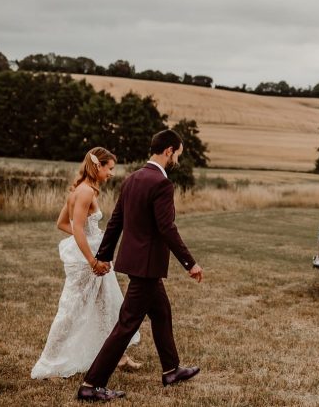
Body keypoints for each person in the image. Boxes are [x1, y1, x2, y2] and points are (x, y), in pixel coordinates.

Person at [77, 129, 204, 402]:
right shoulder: (161, 183)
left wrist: (104, 255)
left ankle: (171, 369)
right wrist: (189, 262)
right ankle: (91, 384)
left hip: (138, 264)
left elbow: (115, 222)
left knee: (162, 313)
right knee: (126, 324)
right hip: (147, 266)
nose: (177, 160)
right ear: (169, 150)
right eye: (178, 154)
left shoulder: (133, 179)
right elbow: (167, 228)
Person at [32, 147, 141, 380]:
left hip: (94, 254)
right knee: (71, 309)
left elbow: (63, 223)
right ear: (97, 166)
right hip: (87, 261)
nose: (112, 173)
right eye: (109, 168)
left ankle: (117, 357)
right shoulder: (84, 193)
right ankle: (49, 364)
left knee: (106, 306)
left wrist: (93, 238)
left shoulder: (82, 189)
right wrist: (91, 258)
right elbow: (77, 228)